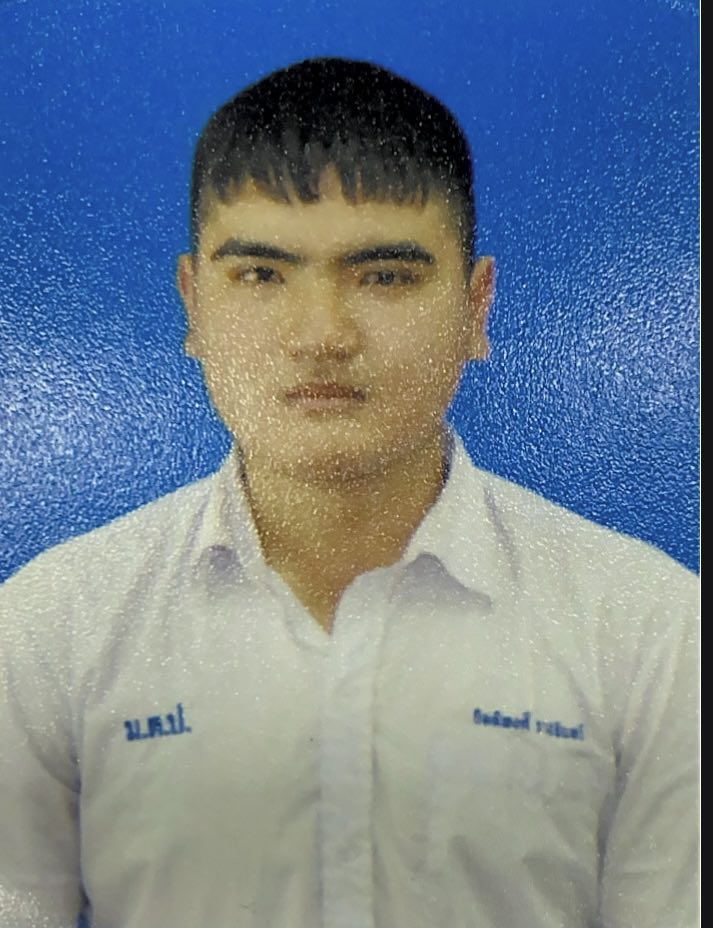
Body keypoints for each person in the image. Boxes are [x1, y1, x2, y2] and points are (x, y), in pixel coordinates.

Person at [0, 57, 698, 928]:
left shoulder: (651, 629)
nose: (321, 335)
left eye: (385, 276)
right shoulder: (50, 629)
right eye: (261, 275)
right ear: (192, 304)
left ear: (475, 309)